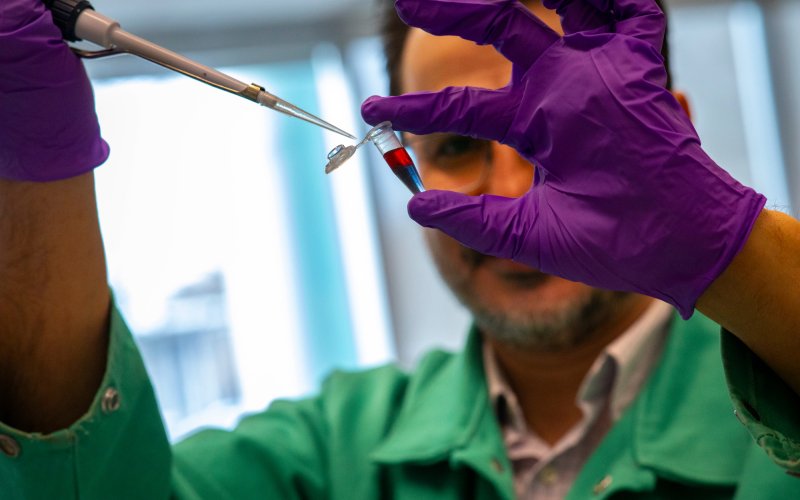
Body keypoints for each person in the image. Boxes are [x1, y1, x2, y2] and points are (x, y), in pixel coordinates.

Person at [1, 0, 799, 498]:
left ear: (677, 136)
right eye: (458, 146)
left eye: (562, 142)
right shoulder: (331, 457)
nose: (513, 191)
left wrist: (734, 249)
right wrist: (38, 181)